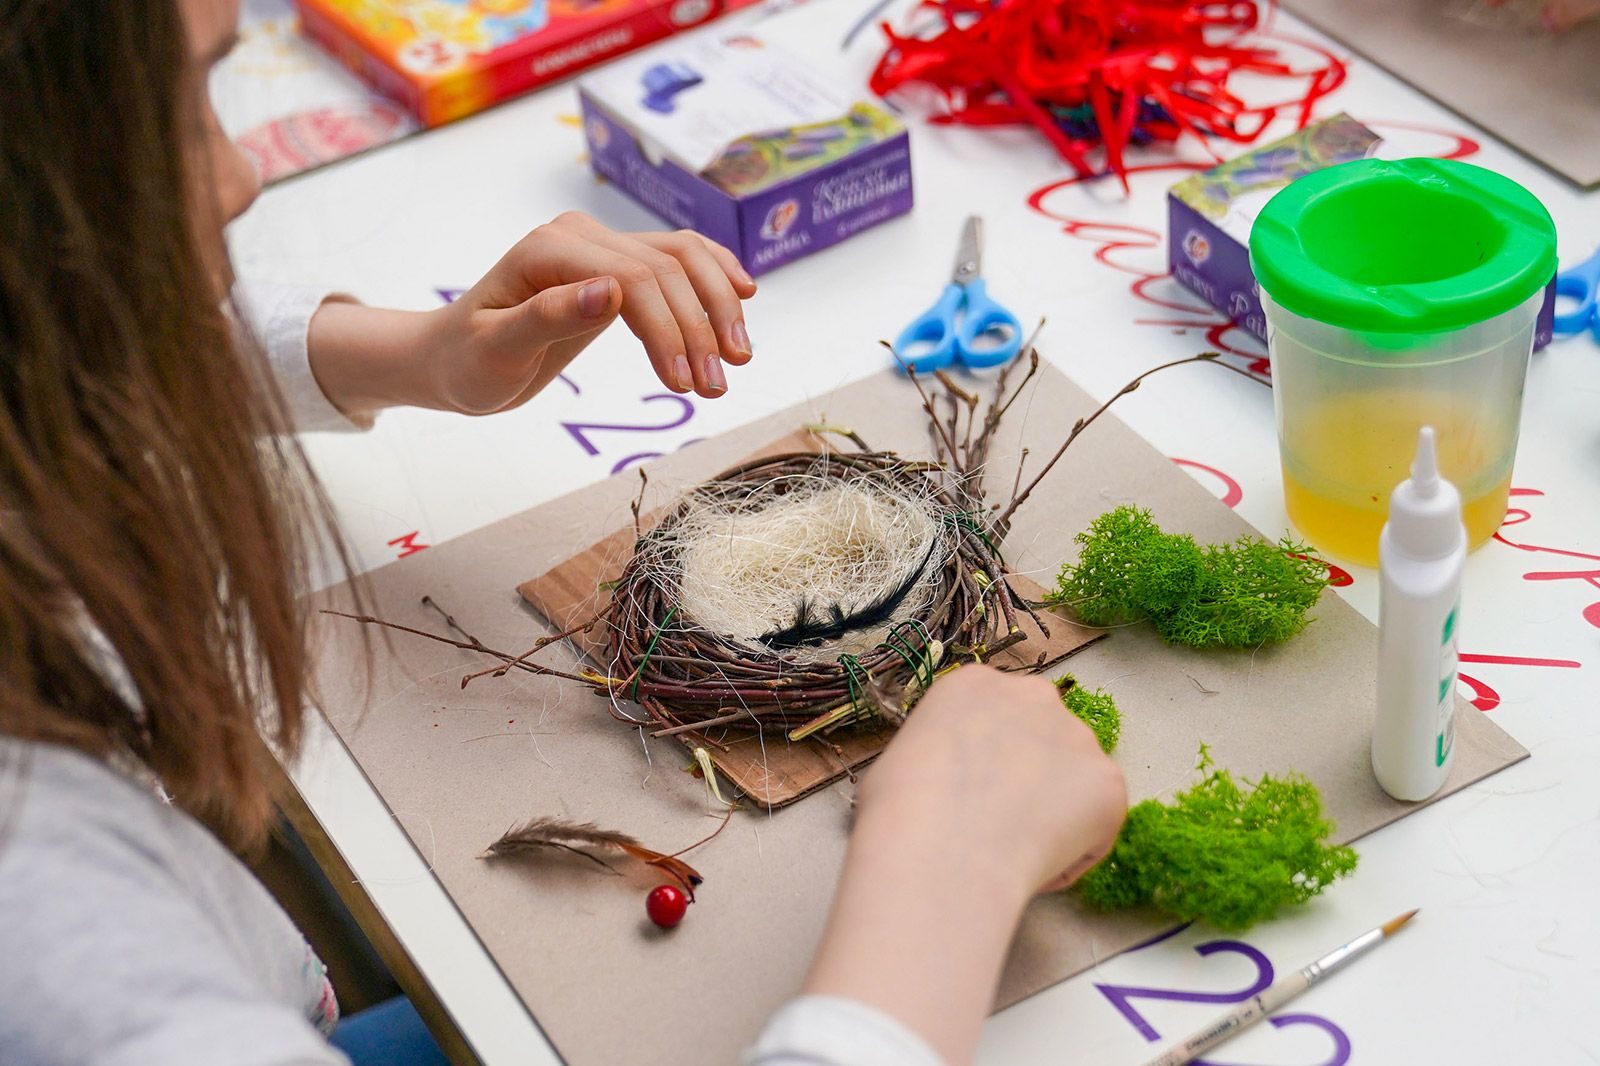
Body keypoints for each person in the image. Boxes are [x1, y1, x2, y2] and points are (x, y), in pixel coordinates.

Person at [0, 2, 1126, 1064]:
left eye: (205, 95)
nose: (242, 177)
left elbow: (69, 301)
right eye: (159, 121)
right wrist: (940, 883)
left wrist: (407, 354)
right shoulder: (49, 931)